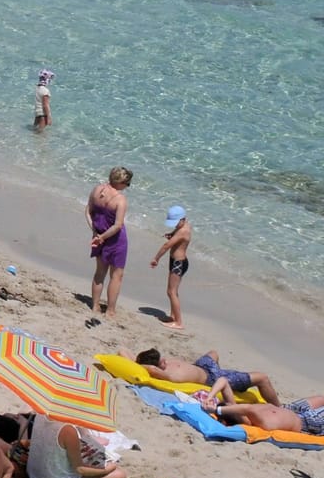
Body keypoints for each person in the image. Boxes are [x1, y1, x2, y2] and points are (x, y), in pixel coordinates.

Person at [18, 413, 127, 478]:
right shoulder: (67, 430)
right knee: (119, 474)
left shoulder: (41, 414)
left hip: (35, 473)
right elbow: (80, 469)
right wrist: (107, 468)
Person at [131, 348, 278, 406]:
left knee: (213, 353)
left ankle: (229, 381)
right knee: (262, 378)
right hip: (213, 379)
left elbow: (124, 351)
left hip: (203, 367)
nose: (166, 361)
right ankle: (279, 407)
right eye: (161, 362)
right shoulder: (168, 375)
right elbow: (149, 368)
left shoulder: (162, 366)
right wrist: (141, 365)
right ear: (156, 367)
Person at [88, 167, 132, 318]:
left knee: (100, 273)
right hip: (114, 239)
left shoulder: (97, 190)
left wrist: (95, 232)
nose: (127, 187)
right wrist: (102, 237)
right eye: (127, 183)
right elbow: (118, 225)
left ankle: (95, 306)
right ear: (121, 182)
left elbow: (88, 211)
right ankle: (110, 310)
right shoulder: (120, 200)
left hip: (99, 234)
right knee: (116, 276)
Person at [214, 391, 324, 438]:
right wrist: (217, 410)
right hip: (307, 422)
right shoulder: (260, 421)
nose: (234, 404)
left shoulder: (246, 412)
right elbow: (247, 408)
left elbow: (223, 381)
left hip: (290, 408)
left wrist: (211, 398)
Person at [150, 205, 191, 329]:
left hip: (178, 263)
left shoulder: (183, 230)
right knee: (173, 291)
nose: (175, 226)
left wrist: (156, 258)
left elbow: (166, 246)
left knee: (171, 291)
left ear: (183, 219)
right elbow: (176, 234)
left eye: (176, 223)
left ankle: (178, 322)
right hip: (175, 261)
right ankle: (173, 316)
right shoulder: (184, 226)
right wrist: (172, 233)